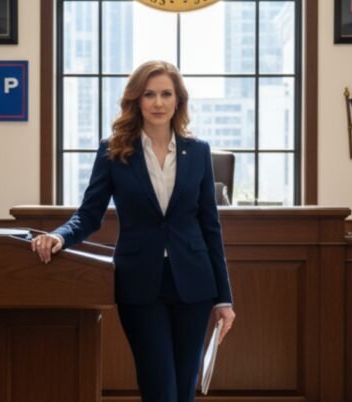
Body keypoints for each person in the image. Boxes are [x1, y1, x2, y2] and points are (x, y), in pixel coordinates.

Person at [31, 60, 235, 402]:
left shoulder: (197, 151)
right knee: (159, 388)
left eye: (166, 94)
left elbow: (210, 227)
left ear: (178, 100)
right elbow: (89, 214)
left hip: (195, 284)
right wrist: (60, 236)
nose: (158, 102)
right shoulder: (114, 151)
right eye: (149, 94)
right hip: (140, 284)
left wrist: (224, 298)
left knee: (185, 389)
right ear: (136, 101)